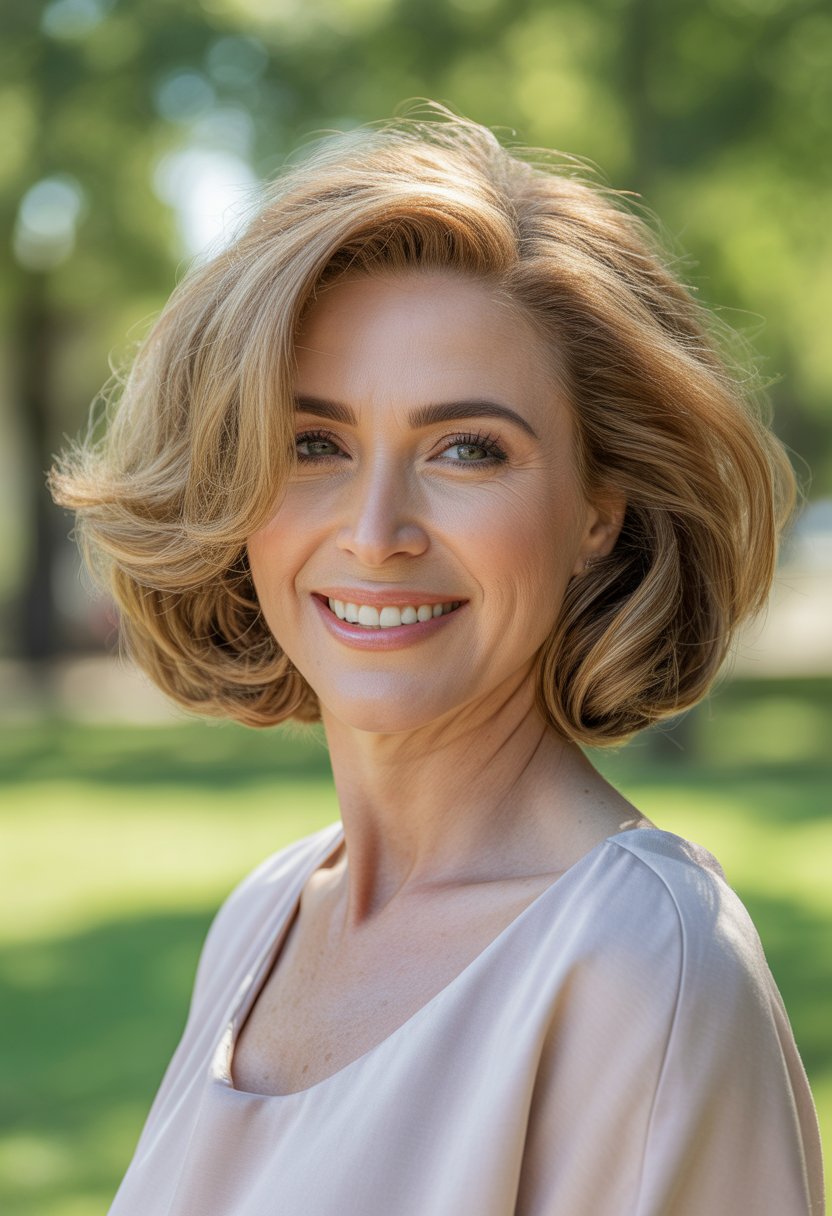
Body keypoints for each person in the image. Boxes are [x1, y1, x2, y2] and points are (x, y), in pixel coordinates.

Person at [50, 110, 824, 1214]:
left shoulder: (640, 966)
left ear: (599, 508)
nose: (375, 530)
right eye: (313, 443)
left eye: (467, 449)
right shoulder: (265, 918)